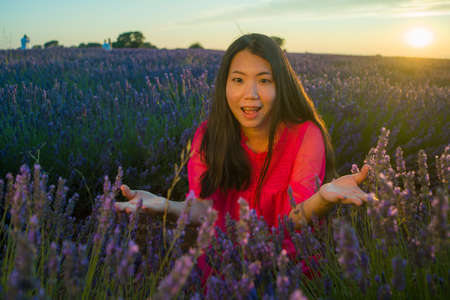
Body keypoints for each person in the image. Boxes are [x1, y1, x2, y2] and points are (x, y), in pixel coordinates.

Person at [114, 33, 370, 231]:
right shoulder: (208, 136)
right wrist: (166, 206)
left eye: (264, 80)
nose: (251, 94)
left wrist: (323, 198)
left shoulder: (305, 135)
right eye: (238, 80)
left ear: (281, 86)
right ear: (224, 85)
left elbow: (297, 217)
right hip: (223, 265)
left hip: (289, 266)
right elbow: (204, 209)